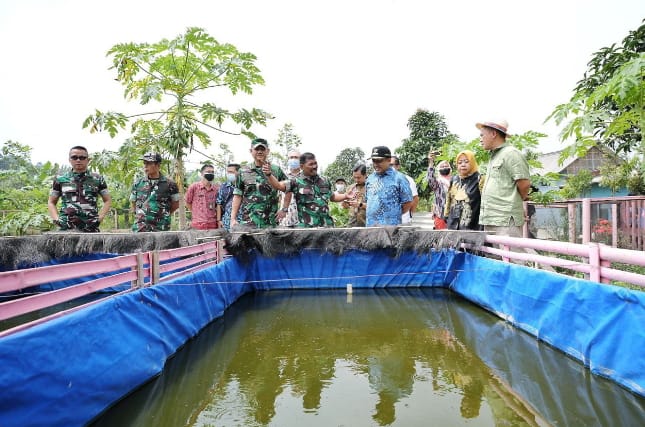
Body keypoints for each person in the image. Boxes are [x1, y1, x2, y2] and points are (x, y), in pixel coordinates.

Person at [264, 152, 348, 227]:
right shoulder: (295, 181)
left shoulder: (324, 180)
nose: (314, 166)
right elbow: (278, 186)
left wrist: (345, 196)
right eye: (311, 164)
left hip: (327, 226)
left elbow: (332, 197)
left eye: (315, 163)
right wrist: (269, 175)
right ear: (301, 166)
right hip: (308, 230)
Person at [477, 119, 530, 237]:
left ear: (493, 134)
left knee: (512, 254)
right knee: (495, 255)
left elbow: (524, 184)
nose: (480, 139)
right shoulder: (494, 156)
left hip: (506, 218)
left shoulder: (511, 154)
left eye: (482, 135)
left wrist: (514, 202)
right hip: (491, 217)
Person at [48, 145, 112, 232]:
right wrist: (57, 219)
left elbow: (107, 200)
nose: (78, 160)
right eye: (74, 157)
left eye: (82, 157)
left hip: (90, 227)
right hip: (66, 227)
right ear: (69, 159)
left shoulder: (97, 179)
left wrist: (99, 219)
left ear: (88, 160)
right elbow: (51, 202)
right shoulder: (60, 179)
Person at [230, 138, 287, 229]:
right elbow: (238, 195)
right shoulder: (243, 171)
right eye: (257, 149)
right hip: (249, 221)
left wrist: (284, 209)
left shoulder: (276, 170)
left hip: (270, 222)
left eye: (262, 149)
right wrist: (233, 219)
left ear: (267, 151)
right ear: (251, 151)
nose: (260, 152)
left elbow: (288, 189)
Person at [130, 152, 180, 232]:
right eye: (144, 163)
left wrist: (163, 215)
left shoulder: (170, 185)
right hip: (140, 227)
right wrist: (141, 214)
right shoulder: (138, 183)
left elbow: (176, 204)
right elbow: (133, 203)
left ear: (158, 165)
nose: (145, 166)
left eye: (149, 163)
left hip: (160, 228)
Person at [365, 146, 413, 226]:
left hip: (391, 228)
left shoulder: (399, 178)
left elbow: (407, 202)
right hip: (371, 226)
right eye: (374, 161)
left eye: (379, 161)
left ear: (389, 160)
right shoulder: (370, 179)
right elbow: (368, 201)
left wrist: (393, 214)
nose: (376, 164)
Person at [444, 150, 483, 231]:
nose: (463, 165)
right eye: (460, 162)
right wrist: (446, 215)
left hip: (472, 225)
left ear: (472, 162)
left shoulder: (479, 179)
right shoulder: (454, 179)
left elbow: (485, 202)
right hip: (453, 224)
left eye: (466, 162)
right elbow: (449, 199)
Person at [185, 164, 219, 230]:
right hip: (197, 224)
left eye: (212, 172)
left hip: (212, 224)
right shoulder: (194, 187)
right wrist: (196, 212)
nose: (211, 174)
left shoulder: (216, 189)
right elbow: (187, 202)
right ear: (202, 173)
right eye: (208, 171)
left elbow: (217, 206)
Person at [426, 151, 452, 230]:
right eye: (442, 166)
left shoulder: (455, 181)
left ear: (450, 168)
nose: (444, 167)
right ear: (438, 169)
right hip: (441, 215)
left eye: (446, 166)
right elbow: (430, 179)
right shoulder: (438, 183)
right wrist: (431, 162)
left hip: (454, 216)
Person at [390, 155, 419, 224]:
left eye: (391, 165)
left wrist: (410, 215)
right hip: (387, 222)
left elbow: (415, 198)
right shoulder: (383, 181)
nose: (389, 167)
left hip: (403, 221)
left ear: (398, 166)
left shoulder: (407, 179)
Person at [277, 150, 301, 227]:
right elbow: (279, 197)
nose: (293, 159)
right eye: (291, 157)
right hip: (285, 218)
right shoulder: (282, 176)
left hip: (302, 219)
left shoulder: (306, 177)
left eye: (296, 157)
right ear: (288, 160)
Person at [216, 163, 241, 231]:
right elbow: (219, 203)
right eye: (228, 172)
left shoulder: (245, 185)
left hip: (242, 221)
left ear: (238, 172)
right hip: (227, 221)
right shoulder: (223, 186)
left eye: (231, 172)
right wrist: (219, 220)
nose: (229, 174)